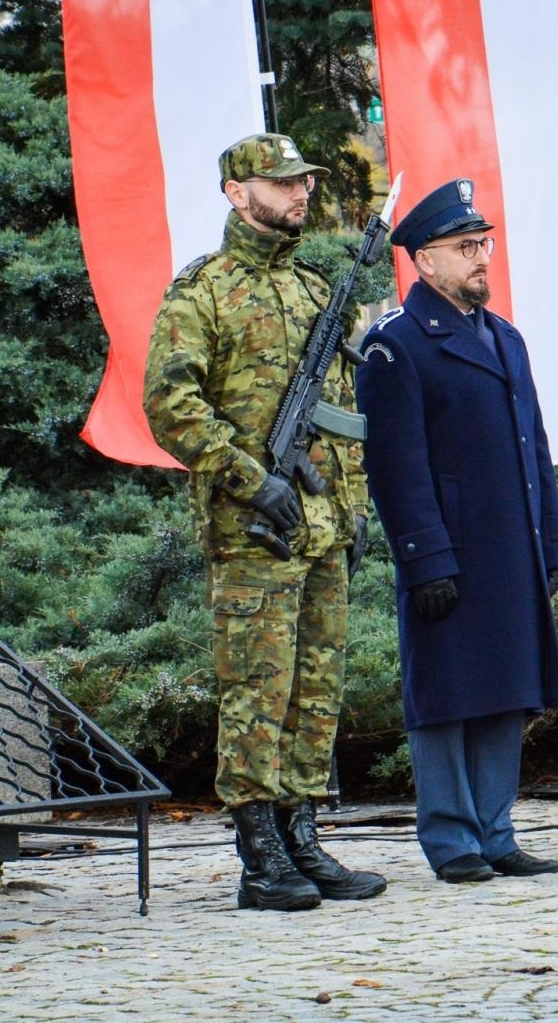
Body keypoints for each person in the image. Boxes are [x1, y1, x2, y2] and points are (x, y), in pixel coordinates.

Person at [144, 133, 385, 911]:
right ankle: (259, 854)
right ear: (236, 193)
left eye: (304, 181)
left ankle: (303, 839)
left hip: (319, 523)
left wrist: (346, 506)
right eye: (282, 183)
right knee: (258, 688)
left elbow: (337, 411)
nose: (299, 193)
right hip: (254, 529)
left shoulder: (314, 290)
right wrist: (251, 478)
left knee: (315, 689)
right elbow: (170, 406)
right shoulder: (201, 294)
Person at [356, 178, 558, 883]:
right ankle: (451, 839)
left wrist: (555, 539)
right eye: (464, 247)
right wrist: (423, 558)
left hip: (511, 544)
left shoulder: (505, 338)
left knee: (507, 689)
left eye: (484, 244)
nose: (481, 257)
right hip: (447, 548)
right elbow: (397, 467)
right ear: (423, 261)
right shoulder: (397, 344)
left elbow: (532, 448)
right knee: (446, 697)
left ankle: (495, 829)